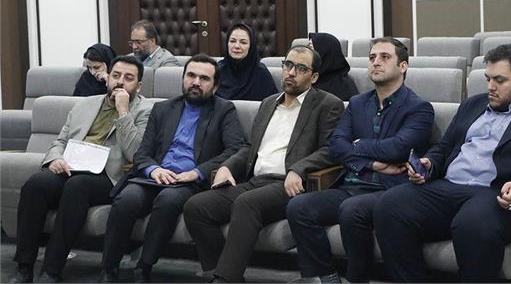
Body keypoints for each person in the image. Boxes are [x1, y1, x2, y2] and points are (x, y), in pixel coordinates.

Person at [373, 44, 511, 282]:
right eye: (488, 79)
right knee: (390, 205)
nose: (490, 87)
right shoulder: (473, 104)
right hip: (449, 187)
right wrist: (430, 163)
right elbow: (444, 146)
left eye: (499, 80)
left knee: (472, 222)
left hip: (497, 194)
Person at [183, 45, 344, 283]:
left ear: (314, 77)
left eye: (301, 68)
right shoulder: (268, 103)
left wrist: (298, 169)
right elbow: (250, 146)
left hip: (289, 185)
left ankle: (225, 279)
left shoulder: (327, 104)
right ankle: (221, 270)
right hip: (255, 181)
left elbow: (331, 149)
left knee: (246, 203)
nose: (291, 72)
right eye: (288, 65)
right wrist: (227, 166)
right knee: (196, 206)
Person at [287, 37, 434, 283]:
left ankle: (358, 279)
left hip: (390, 190)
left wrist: (358, 144)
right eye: (372, 57)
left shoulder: (419, 108)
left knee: (352, 209)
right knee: (298, 207)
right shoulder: (357, 103)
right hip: (352, 184)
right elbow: (336, 145)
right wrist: (370, 163)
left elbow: (398, 148)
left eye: (385, 57)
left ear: (403, 66)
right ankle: (326, 277)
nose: (376, 62)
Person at [99, 54, 246, 283]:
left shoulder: (224, 110)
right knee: (127, 199)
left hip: (189, 181)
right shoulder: (163, 108)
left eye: (204, 78)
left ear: (215, 86)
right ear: (183, 78)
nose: (195, 82)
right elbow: (142, 153)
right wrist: (153, 169)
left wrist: (197, 172)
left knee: (167, 200)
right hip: (154, 176)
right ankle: (109, 268)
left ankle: (144, 266)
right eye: (191, 75)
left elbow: (235, 149)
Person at [8, 56, 152, 283]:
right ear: (108, 78)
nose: (120, 82)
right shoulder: (86, 104)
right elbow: (60, 141)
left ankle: (52, 270)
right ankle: (24, 267)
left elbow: (136, 153)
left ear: (139, 85)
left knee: (78, 186)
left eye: (128, 78)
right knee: (36, 184)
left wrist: (123, 111)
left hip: (108, 176)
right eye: (116, 76)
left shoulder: (146, 110)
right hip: (71, 167)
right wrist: (54, 159)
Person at [215, 23, 278, 101]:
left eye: (243, 42)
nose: (237, 46)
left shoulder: (261, 73)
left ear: (251, 46)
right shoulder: (217, 70)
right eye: (232, 41)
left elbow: (272, 104)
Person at [309, 32, 358, 101]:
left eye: (310, 48)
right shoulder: (308, 77)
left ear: (323, 52)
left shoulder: (344, 86)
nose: (306, 52)